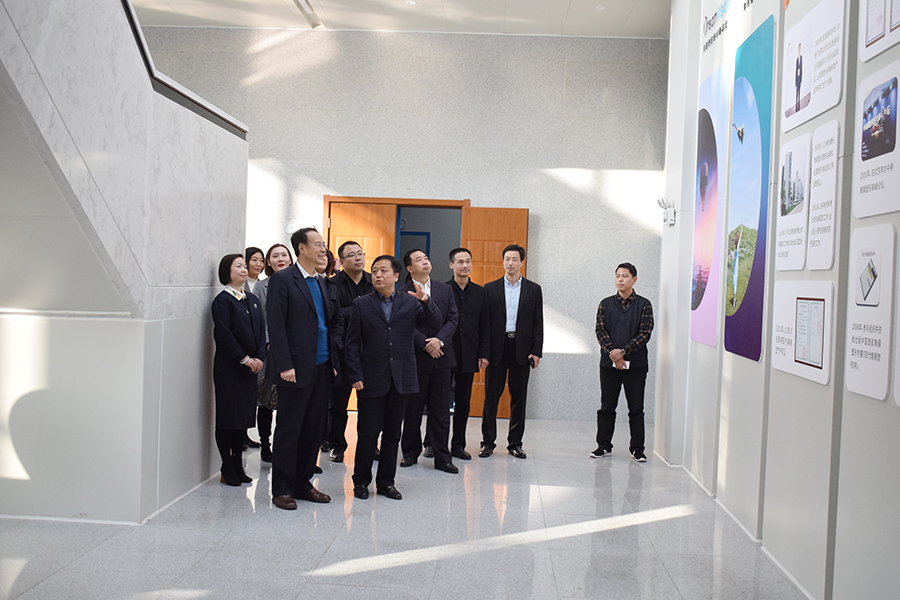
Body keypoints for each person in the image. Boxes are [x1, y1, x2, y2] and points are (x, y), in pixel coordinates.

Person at [345, 255, 441, 501]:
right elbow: (352, 344)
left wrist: (426, 300)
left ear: (397, 276)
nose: (378, 275)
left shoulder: (410, 302)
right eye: (375, 270)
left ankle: (387, 482)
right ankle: (361, 482)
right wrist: (355, 374)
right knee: (368, 433)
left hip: (401, 378)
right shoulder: (361, 304)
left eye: (383, 271)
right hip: (371, 378)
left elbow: (434, 322)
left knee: (392, 434)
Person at [266, 228, 343, 510]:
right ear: (301, 248)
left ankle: (303, 483)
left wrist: (333, 356)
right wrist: (285, 364)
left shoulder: (322, 282)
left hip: (322, 366)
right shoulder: (283, 279)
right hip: (294, 368)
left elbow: (334, 321)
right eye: (318, 244)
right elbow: (276, 325)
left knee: (313, 428)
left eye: (324, 244)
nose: (323, 249)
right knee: (290, 429)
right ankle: (282, 488)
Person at [399, 249, 459, 473]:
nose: (424, 262)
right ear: (409, 268)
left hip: (442, 358)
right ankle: (410, 453)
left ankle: (442, 457)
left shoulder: (445, 289)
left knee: (441, 411)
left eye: (425, 258)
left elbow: (453, 319)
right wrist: (425, 344)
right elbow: (403, 323)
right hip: (416, 358)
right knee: (412, 410)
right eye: (418, 260)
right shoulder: (402, 292)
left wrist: (439, 342)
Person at [480, 244, 543, 459]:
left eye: (515, 259)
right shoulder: (490, 288)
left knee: (519, 398)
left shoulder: (534, 289)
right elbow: (485, 324)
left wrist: (536, 351)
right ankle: (487, 442)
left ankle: (515, 443)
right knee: (491, 398)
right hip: (497, 349)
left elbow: (538, 322)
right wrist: (484, 352)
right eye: (507, 258)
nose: (510, 263)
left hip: (522, 349)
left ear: (522, 262)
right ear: (503, 261)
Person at [211, 254, 266, 486]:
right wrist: (244, 359)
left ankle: (238, 464)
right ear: (227, 271)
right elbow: (224, 334)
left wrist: (259, 357)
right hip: (230, 368)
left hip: (250, 369)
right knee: (228, 419)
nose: (244, 270)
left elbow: (261, 330)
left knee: (242, 419)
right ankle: (227, 465)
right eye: (239, 266)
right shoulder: (222, 301)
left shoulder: (251, 299)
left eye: (245, 266)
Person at [591, 262, 654, 462]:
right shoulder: (605, 304)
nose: (620, 279)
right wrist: (613, 353)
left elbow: (645, 333)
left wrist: (623, 352)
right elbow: (600, 330)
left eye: (625, 276)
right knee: (607, 407)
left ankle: (637, 449)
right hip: (609, 365)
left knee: (636, 408)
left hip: (636, 366)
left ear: (634, 280)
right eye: (618, 275)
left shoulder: (644, 305)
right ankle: (603, 446)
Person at [327, 241, 374, 463]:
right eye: (352, 255)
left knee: (370, 406)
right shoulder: (332, 284)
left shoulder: (374, 282)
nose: (358, 258)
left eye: (360, 254)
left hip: (370, 353)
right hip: (342, 352)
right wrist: (360, 309)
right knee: (338, 405)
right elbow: (332, 315)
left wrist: (351, 311)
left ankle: (369, 446)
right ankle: (337, 445)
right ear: (341, 261)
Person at [446, 248, 490, 460]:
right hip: (445, 353)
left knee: (463, 402)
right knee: (439, 401)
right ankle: (432, 443)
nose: (465, 265)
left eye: (468, 261)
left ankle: (458, 445)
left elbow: (485, 326)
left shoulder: (481, 293)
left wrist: (484, 353)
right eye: (460, 262)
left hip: (469, 353)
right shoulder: (443, 290)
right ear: (451, 265)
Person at [252, 243, 294, 462]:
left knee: (290, 402)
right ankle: (265, 444)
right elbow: (259, 320)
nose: (280, 259)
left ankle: (286, 447)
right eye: (275, 256)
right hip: (270, 352)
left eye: (284, 255)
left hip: (294, 350)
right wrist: (270, 342)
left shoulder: (299, 283)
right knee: (266, 400)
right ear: (268, 262)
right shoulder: (261, 287)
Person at [794, 44, 802, 113]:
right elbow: (796, 72)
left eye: (800, 49)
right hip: (797, 79)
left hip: (800, 79)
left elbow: (801, 70)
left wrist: (801, 80)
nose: (799, 51)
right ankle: (796, 107)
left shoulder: (801, 58)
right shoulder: (797, 60)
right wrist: (795, 84)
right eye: (799, 49)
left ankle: (799, 106)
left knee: (799, 93)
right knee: (797, 93)